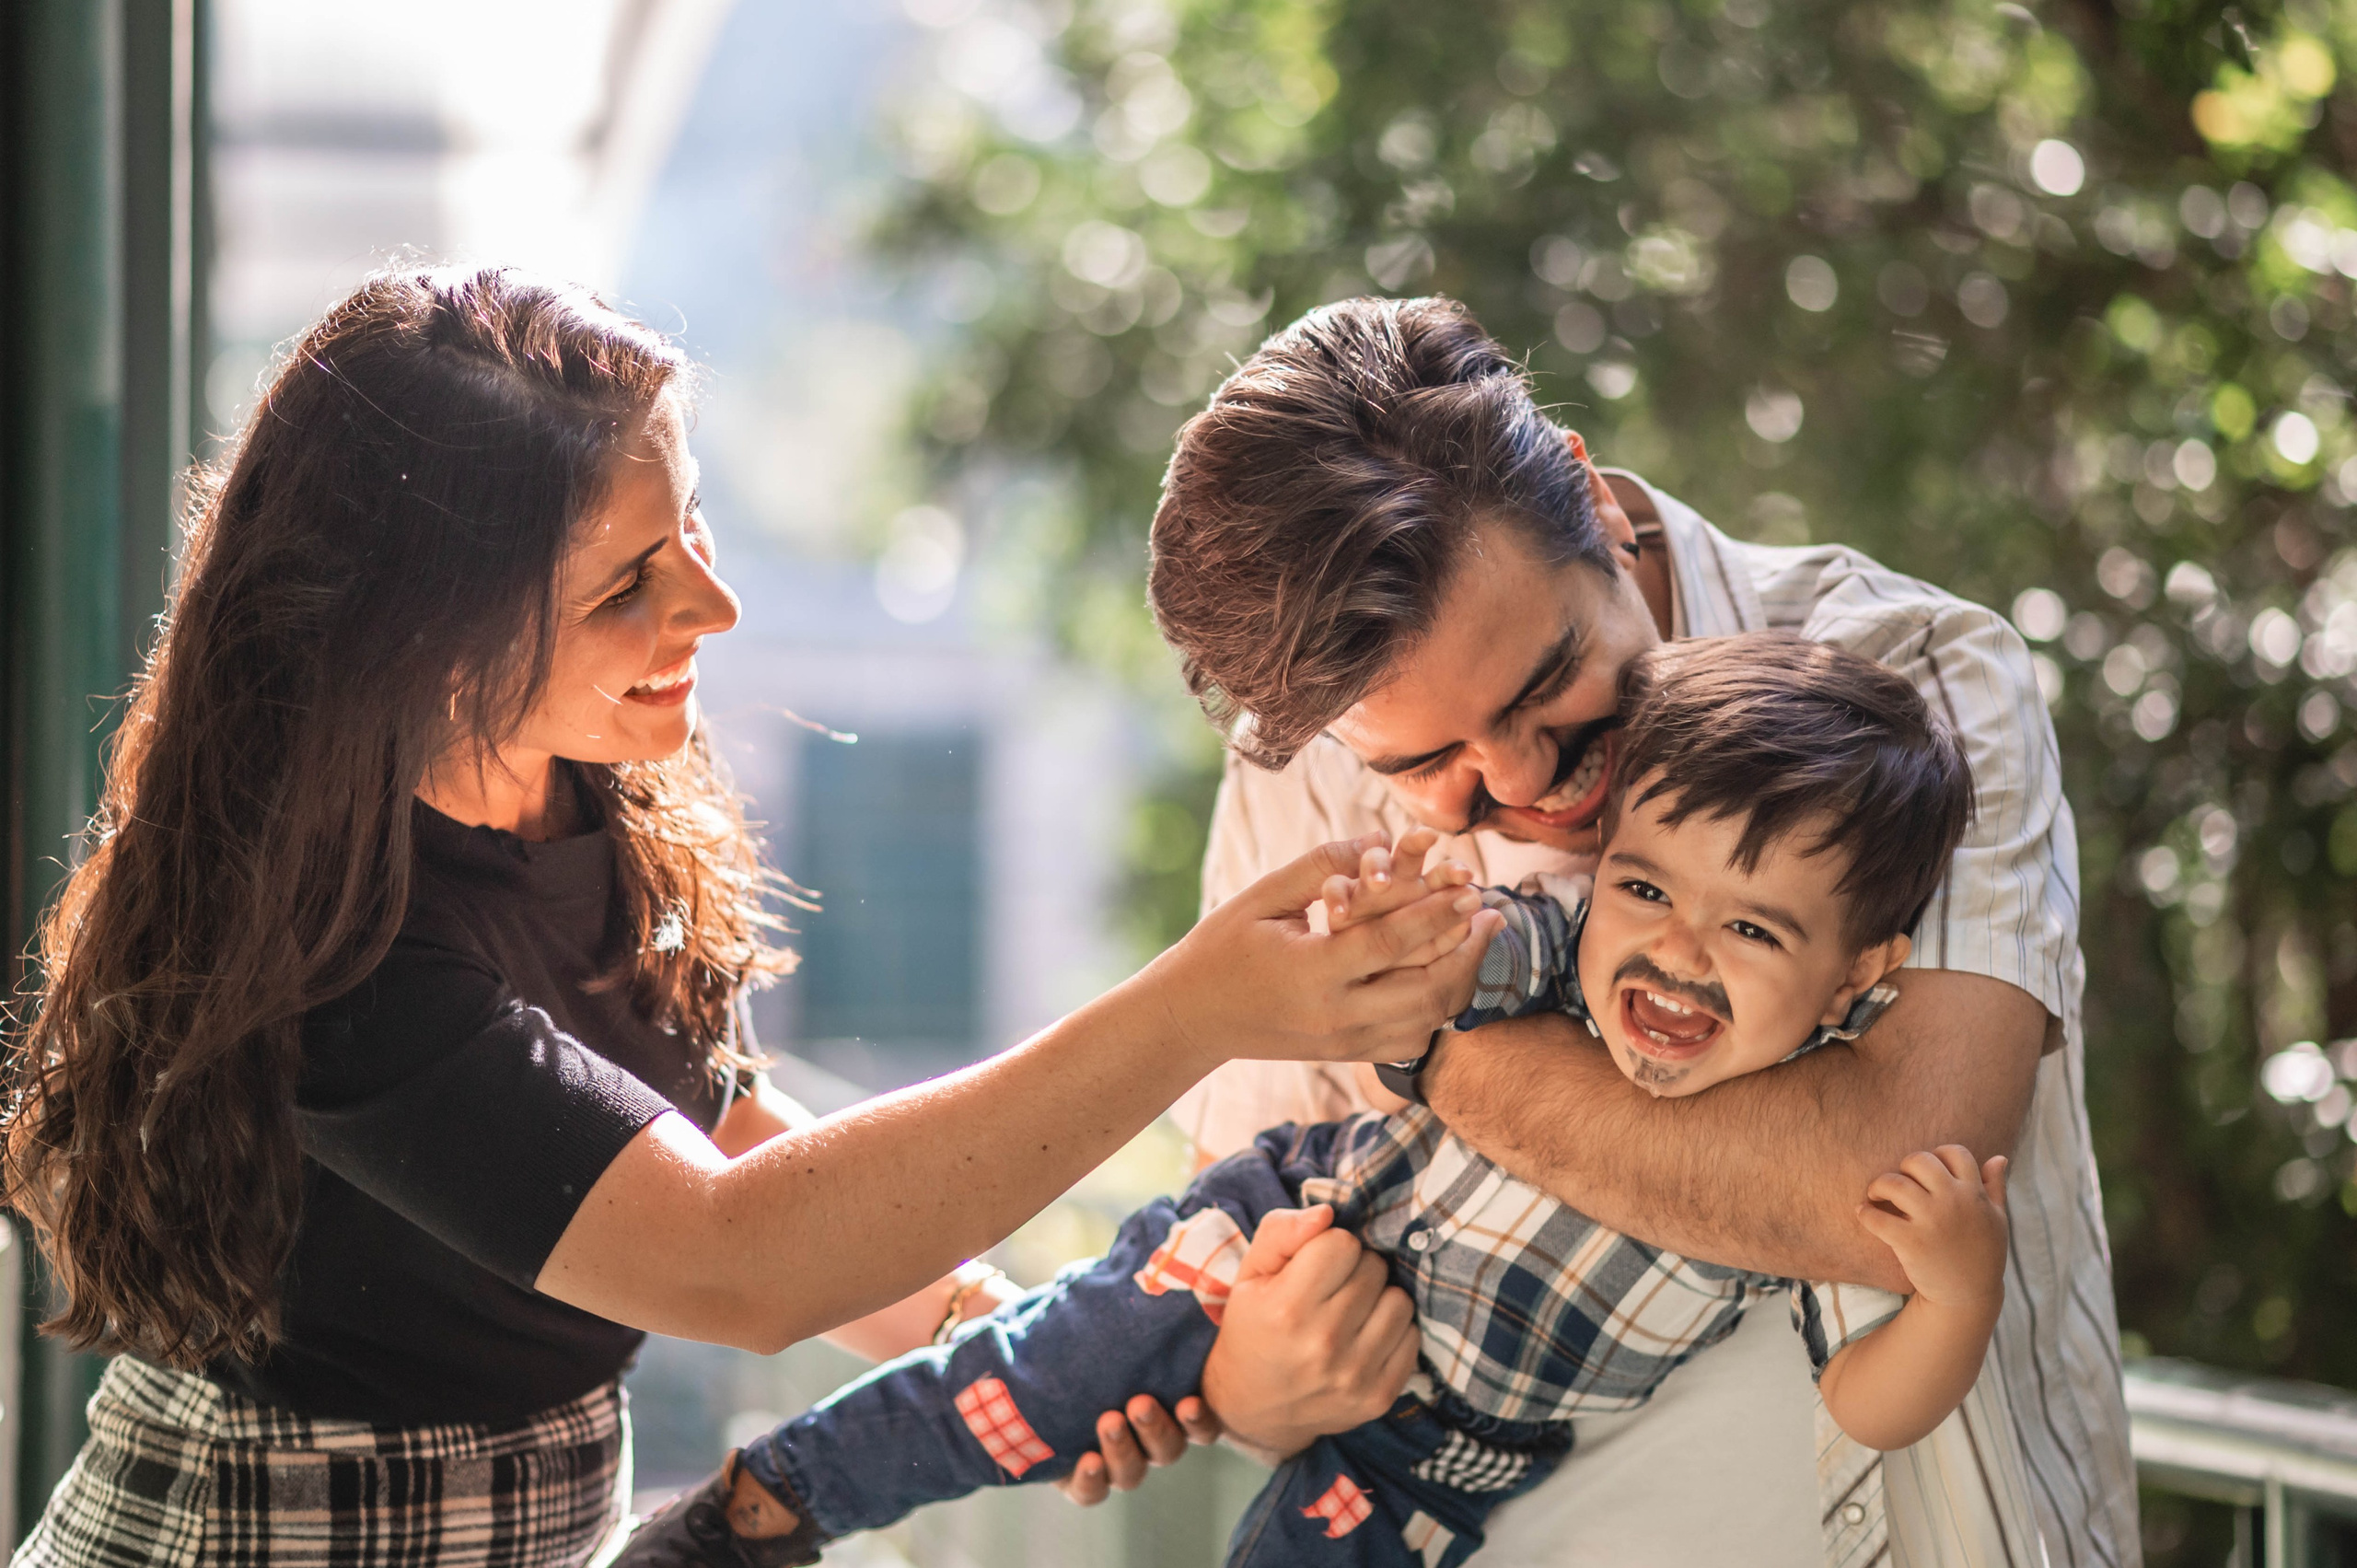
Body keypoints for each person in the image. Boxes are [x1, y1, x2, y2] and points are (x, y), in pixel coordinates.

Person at [0, 266, 1489, 1568]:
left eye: (691, 524)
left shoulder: (577, 780)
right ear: (427, 642)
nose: (710, 606)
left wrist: (1019, 1347)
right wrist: (1206, 1008)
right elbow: (732, 1255)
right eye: (625, 586)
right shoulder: (338, 967)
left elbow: (704, 1124)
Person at [618, 633, 2036, 1568]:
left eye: (1752, 931)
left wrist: (1956, 1303)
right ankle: (768, 1505)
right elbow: (1420, 962)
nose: (1673, 950)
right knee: (1034, 1376)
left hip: (1439, 1465)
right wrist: (1394, 907)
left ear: (1862, 978)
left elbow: (1865, 1403)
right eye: (1649, 890)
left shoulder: (1811, 1147)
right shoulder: (1558, 961)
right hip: (1284, 1221)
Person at [1144, 296, 2136, 1566]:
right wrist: (1247, 1385)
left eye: (1545, 681)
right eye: (1431, 761)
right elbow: (1241, 1261)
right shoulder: (1302, 785)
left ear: (1588, 499)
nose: (1525, 778)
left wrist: (1424, 1030)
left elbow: (1892, 1182)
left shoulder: (1914, 676)